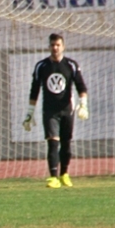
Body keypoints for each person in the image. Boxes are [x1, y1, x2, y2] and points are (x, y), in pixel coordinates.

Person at [23, 33, 89, 188]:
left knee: (66, 143)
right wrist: (30, 112)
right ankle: (53, 177)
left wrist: (83, 104)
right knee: (53, 142)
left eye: (58, 45)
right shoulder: (42, 66)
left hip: (67, 110)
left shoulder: (71, 65)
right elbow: (34, 90)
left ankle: (64, 174)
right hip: (50, 111)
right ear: (49, 47)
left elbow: (81, 86)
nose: (55, 48)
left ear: (63, 46)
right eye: (52, 45)